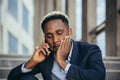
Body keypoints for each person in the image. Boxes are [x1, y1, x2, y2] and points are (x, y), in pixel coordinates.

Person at [8, 11, 106, 80]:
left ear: (69, 32)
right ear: (45, 38)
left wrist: (62, 63)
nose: (55, 40)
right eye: (49, 36)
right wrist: (32, 61)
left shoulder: (89, 50)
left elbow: (98, 77)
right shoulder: (45, 56)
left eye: (59, 33)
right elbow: (12, 77)